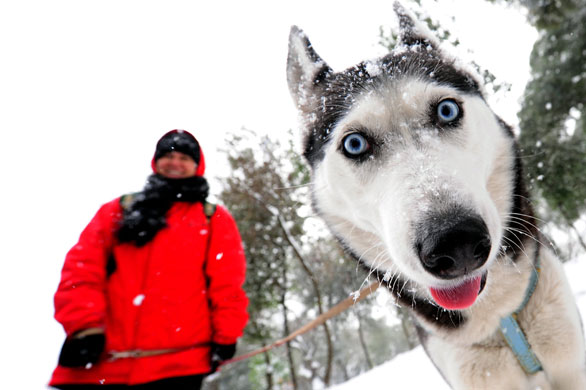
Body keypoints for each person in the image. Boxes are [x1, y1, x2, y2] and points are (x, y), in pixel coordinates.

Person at [49, 130, 249, 389]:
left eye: (184, 157)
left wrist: (226, 337)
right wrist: (85, 327)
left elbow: (227, 286)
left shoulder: (214, 219)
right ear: (155, 162)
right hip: (98, 364)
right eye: (167, 155)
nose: (175, 162)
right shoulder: (118, 210)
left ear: (198, 166)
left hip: (178, 368)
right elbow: (80, 271)